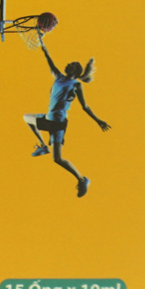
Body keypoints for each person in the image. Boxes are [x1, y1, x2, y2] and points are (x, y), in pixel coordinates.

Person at [23, 32, 110, 197]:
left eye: (70, 65)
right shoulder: (58, 76)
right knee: (27, 118)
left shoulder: (76, 85)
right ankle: (44, 147)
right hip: (49, 119)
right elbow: (48, 58)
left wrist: (98, 120)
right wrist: (41, 43)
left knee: (57, 158)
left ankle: (82, 179)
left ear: (74, 71)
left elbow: (85, 106)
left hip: (58, 124)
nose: (67, 64)